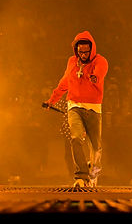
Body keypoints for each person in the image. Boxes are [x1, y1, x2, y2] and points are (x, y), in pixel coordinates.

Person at [43, 31, 108, 188]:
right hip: (74, 106)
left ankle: (93, 175)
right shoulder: (72, 62)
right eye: (81, 52)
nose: (83, 55)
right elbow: (64, 82)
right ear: (76, 50)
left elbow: (100, 71)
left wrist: (95, 77)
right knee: (76, 138)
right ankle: (81, 176)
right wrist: (52, 100)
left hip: (93, 108)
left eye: (86, 52)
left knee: (95, 146)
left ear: (91, 49)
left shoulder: (100, 61)